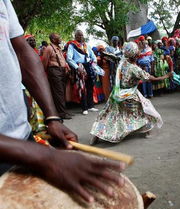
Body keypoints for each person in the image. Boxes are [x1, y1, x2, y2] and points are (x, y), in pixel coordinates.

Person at [0, 0, 125, 203]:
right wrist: (45, 158)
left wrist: (53, 118)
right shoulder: (59, 48)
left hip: (21, 139)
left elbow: (22, 52)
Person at [90, 42, 172, 144]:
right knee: (144, 108)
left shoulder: (122, 62)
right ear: (136, 55)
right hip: (130, 95)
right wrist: (166, 76)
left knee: (108, 114)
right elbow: (151, 78)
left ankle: (96, 135)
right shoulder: (135, 69)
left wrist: (105, 54)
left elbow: (114, 57)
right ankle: (147, 132)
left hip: (116, 94)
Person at [66, 30, 99, 115]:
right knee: (82, 88)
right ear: (75, 36)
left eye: (82, 35)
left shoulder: (86, 45)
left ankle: (91, 106)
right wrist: (77, 67)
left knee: (90, 86)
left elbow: (93, 55)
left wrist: (94, 62)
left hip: (89, 65)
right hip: (80, 66)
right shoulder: (72, 46)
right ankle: (84, 108)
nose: (80, 37)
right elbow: (69, 58)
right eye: (79, 35)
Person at [42, 33, 72, 120]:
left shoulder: (58, 49)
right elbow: (44, 63)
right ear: (53, 39)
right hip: (54, 71)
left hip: (62, 71)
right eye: (58, 38)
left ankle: (63, 111)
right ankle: (61, 113)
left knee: (62, 92)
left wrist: (66, 67)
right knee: (58, 93)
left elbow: (62, 60)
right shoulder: (49, 49)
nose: (60, 39)